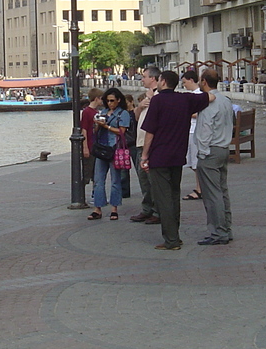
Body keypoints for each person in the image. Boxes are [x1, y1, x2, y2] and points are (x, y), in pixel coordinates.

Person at [140, 70, 211, 250]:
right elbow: (210, 97)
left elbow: (150, 132)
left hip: (160, 155)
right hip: (178, 154)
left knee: (163, 198)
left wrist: (144, 155)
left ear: (162, 82)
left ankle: (171, 239)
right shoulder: (185, 99)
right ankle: (175, 235)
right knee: (173, 196)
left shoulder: (157, 101)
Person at [194, 69, 235, 245]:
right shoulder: (226, 100)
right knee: (222, 190)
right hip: (223, 147)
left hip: (210, 150)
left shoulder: (209, 103)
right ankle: (226, 228)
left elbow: (205, 129)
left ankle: (219, 231)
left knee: (212, 194)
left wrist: (202, 152)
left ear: (204, 81)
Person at [88, 87, 130, 221]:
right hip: (102, 148)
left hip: (115, 148)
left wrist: (106, 126)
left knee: (115, 180)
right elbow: (95, 131)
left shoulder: (123, 114)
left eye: (112, 101)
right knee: (98, 180)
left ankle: (114, 208)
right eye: (108, 101)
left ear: (118, 100)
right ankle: (97, 208)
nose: (110, 103)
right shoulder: (104, 112)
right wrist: (98, 124)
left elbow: (122, 131)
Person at [129, 67, 161, 224]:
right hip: (140, 142)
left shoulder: (159, 96)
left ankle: (157, 210)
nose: (142, 79)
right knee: (143, 179)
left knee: (152, 179)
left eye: (144, 77)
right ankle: (147, 208)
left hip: (150, 145)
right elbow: (135, 117)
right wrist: (140, 106)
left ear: (153, 79)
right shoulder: (145, 98)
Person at [181, 69, 203, 201]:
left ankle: (201, 188)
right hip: (190, 130)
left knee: (196, 161)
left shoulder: (198, 95)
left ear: (191, 80)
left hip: (195, 130)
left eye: (185, 82)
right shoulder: (192, 95)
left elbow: (201, 113)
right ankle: (200, 187)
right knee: (191, 161)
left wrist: (185, 113)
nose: (184, 85)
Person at [79, 88, 104, 190]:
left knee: (96, 172)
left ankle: (96, 195)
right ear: (97, 98)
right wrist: (85, 147)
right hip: (89, 144)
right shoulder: (87, 112)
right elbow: (84, 129)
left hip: (95, 144)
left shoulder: (96, 112)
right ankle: (81, 195)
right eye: (101, 99)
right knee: (87, 172)